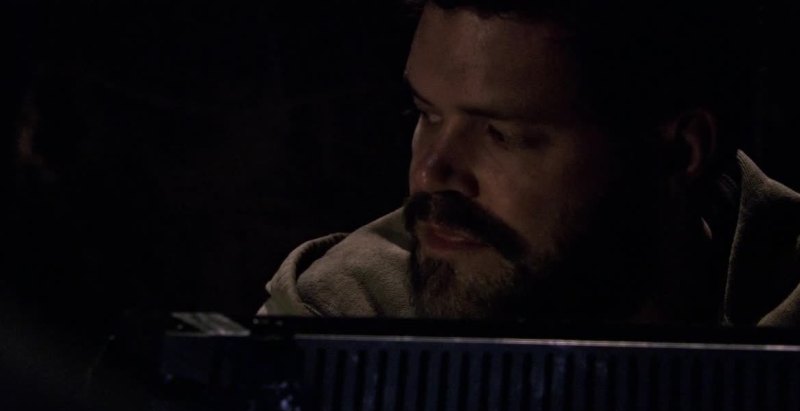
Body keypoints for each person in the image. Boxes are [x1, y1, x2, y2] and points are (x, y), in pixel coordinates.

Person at [259, 0, 800, 326]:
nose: (430, 173)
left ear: (679, 153)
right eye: (426, 114)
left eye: (503, 136)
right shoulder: (339, 323)